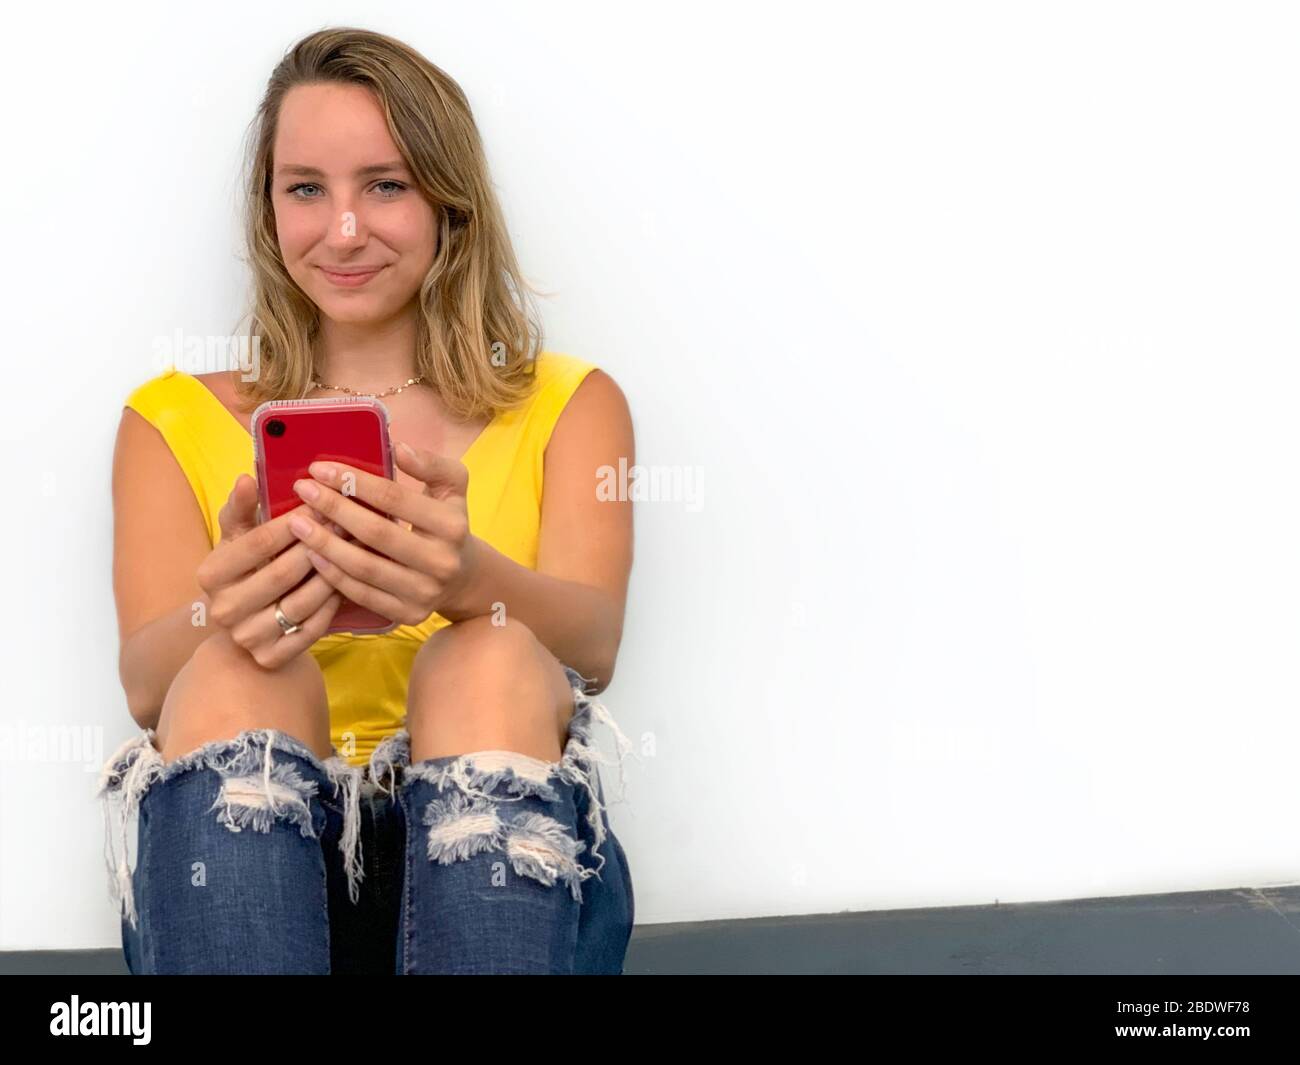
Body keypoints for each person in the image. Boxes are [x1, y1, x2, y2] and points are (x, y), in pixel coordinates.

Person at [95, 26, 637, 975]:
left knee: (490, 657)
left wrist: (468, 580)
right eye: (306, 188)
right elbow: (146, 685)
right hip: (247, 860)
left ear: (447, 201)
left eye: (384, 185)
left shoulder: (569, 403)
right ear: (269, 213)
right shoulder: (168, 419)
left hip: (490, 867)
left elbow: (592, 648)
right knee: (239, 671)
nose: (343, 229)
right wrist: (229, 603)